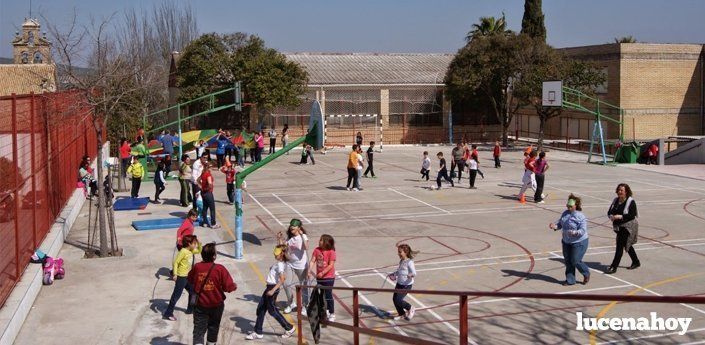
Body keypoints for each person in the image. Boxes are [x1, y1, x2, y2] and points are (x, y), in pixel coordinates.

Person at [189, 242, 237, 345]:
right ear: (214, 256)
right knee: (213, 328)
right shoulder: (220, 269)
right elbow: (228, 287)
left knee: (198, 331)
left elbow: (190, 279)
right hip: (217, 306)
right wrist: (234, 286)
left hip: (200, 305)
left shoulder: (197, 267)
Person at [246, 245, 296, 340]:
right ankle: (258, 332)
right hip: (269, 287)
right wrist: (279, 240)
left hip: (272, 288)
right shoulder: (280, 262)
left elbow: (282, 279)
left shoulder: (280, 264)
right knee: (261, 308)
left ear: (281, 254)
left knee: (272, 310)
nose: (274, 254)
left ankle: (289, 327)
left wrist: (273, 290)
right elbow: (282, 247)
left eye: (276, 253)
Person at [549, 195, 590, 286]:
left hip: (579, 242)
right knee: (568, 261)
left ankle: (586, 273)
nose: (568, 208)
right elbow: (560, 224)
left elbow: (583, 230)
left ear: (576, 206)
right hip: (566, 241)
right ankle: (570, 280)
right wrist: (554, 226)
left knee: (575, 260)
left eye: (570, 206)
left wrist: (575, 232)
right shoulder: (565, 213)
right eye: (568, 206)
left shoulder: (580, 216)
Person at [164, 234, 202, 321]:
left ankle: (190, 309)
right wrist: (175, 274)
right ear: (189, 244)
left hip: (188, 277)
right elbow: (176, 262)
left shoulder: (191, 251)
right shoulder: (183, 251)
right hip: (181, 277)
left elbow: (199, 251)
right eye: (194, 243)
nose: (195, 245)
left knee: (193, 292)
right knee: (176, 295)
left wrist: (200, 244)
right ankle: (168, 313)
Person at [606, 183, 640, 274]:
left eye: (622, 190)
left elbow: (632, 215)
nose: (619, 192)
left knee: (619, 246)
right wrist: (611, 216)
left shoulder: (630, 201)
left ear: (626, 192)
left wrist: (620, 216)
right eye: (618, 190)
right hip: (619, 226)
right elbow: (609, 212)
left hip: (628, 226)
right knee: (626, 244)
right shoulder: (615, 200)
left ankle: (614, 266)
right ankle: (636, 261)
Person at [278, 219, 309, 314]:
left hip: (301, 266)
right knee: (286, 283)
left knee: (303, 286)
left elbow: (306, 247)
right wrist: (279, 239)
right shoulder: (290, 238)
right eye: (291, 225)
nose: (292, 227)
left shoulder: (303, 237)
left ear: (299, 228)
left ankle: (305, 306)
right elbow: (282, 247)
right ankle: (291, 303)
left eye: (294, 226)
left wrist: (302, 234)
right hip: (290, 264)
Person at [308, 234, 336, 322]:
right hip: (319, 278)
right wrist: (309, 270)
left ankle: (332, 313)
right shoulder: (317, 250)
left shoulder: (331, 252)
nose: (319, 241)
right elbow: (313, 260)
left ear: (326, 242)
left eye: (321, 240)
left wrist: (322, 273)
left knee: (328, 295)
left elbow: (331, 265)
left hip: (328, 277)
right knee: (321, 295)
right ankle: (325, 310)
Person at [388, 244, 417, 321]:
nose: (398, 253)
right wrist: (394, 274)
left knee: (398, 300)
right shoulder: (401, 261)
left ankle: (410, 308)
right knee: (395, 299)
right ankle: (402, 314)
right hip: (399, 284)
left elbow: (414, 273)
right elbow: (399, 271)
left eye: (400, 252)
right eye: (398, 252)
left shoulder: (409, 262)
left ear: (405, 252)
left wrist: (411, 275)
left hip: (406, 285)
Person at [199, 164, 220, 229]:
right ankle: (213, 223)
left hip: (203, 193)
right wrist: (207, 188)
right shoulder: (208, 174)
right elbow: (210, 184)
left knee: (205, 207)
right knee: (212, 208)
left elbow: (197, 180)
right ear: (209, 168)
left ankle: (205, 222)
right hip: (208, 193)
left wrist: (201, 187)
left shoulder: (203, 173)